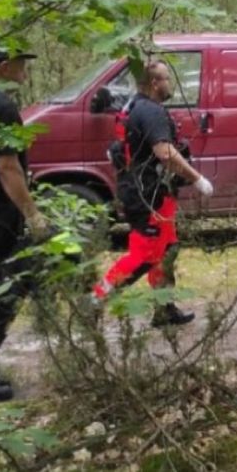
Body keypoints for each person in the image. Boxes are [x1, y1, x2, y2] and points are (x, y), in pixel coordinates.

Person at [93, 61, 214, 326]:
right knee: (145, 255)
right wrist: (197, 179)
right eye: (167, 78)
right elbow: (164, 153)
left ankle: (164, 308)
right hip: (147, 196)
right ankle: (94, 300)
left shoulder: (133, 106)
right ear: (155, 83)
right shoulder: (150, 111)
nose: (170, 83)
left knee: (167, 249)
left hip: (151, 192)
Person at [0, 49, 50, 401]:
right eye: (20, 63)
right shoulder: (2, 107)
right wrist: (32, 214)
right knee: (7, 287)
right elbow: (7, 167)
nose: (25, 69)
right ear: (2, 67)